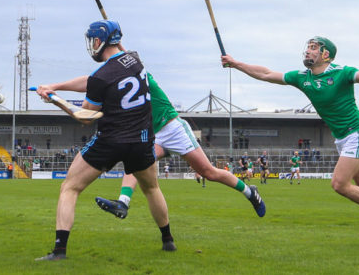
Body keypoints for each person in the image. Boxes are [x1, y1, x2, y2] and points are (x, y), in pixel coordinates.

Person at [221, 36, 359, 245]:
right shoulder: (302, 77)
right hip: (342, 138)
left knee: (339, 184)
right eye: (307, 47)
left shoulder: (342, 73)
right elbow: (266, 74)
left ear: (325, 54)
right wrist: (236, 64)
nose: (308, 51)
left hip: (357, 132)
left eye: (313, 48)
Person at [34, 20, 177, 261]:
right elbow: (92, 81)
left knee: (69, 187)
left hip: (110, 140)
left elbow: (85, 116)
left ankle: (59, 250)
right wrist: (56, 85)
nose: (91, 46)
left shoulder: (102, 76)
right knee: (151, 188)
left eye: (93, 41)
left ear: (99, 42)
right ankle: (168, 241)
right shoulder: (135, 60)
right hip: (142, 140)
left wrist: (56, 100)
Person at [89, 50, 265, 220]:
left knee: (209, 172)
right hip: (156, 135)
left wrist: (117, 42)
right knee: (136, 164)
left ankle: (250, 193)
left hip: (174, 129)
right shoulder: (124, 81)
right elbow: (92, 80)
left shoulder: (143, 75)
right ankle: (123, 203)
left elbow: (124, 56)